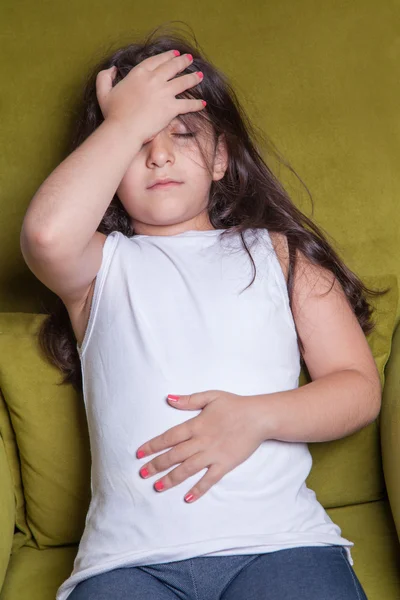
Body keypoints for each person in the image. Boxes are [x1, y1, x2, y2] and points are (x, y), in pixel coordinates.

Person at [20, 24, 385, 600]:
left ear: (221, 158)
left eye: (183, 133)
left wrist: (255, 417)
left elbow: (358, 388)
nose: (158, 152)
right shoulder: (97, 269)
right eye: (138, 139)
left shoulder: (277, 254)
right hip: (129, 562)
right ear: (106, 169)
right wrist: (121, 121)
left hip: (280, 542)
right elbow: (45, 233)